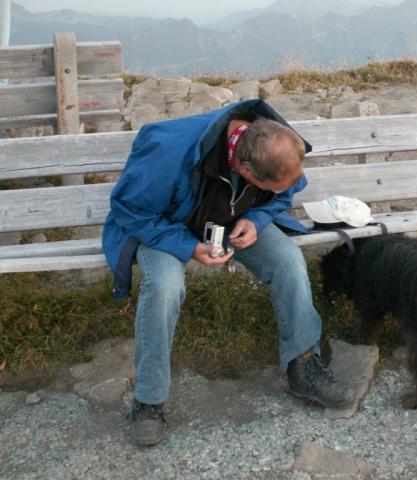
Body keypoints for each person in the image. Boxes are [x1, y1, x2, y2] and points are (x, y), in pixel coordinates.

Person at [102, 100, 357, 446]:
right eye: (267, 187)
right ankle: (148, 400)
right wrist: (189, 247)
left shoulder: (279, 147)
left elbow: (282, 196)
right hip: (165, 228)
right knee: (163, 286)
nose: (278, 192)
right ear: (243, 168)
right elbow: (129, 210)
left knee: (287, 260)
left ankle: (303, 365)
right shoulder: (168, 151)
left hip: (230, 222)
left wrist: (256, 219)